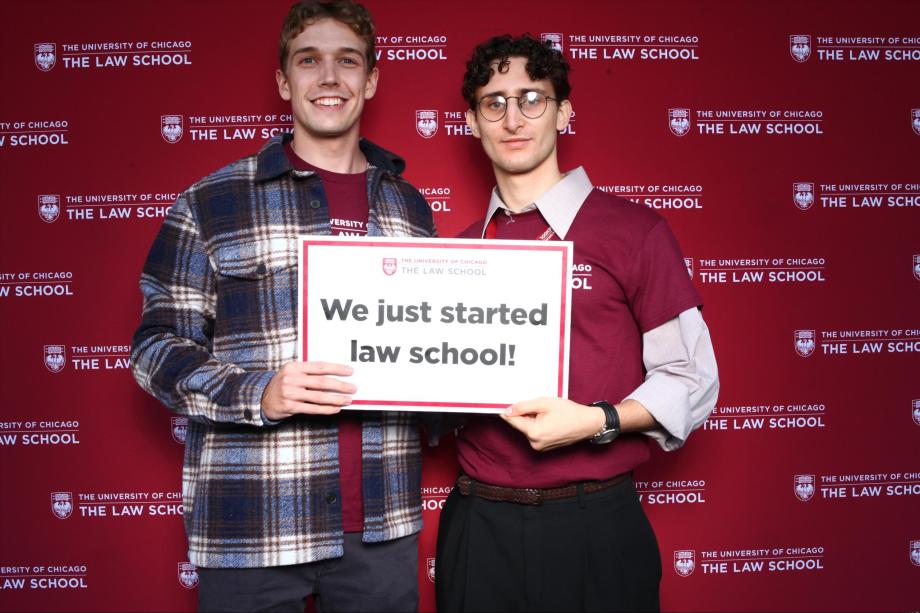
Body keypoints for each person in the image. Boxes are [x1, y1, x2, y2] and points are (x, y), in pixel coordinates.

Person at [130, 1, 435, 611]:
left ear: (370, 80)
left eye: (347, 61)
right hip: (254, 524)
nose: (329, 78)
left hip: (382, 526)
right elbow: (154, 348)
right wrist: (259, 393)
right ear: (283, 81)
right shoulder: (211, 202)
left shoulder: (410, 207)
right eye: (308, 61)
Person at [434, 34, 719, 612]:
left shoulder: (635, 232)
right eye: (494, 102)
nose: (513, 118)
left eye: (532, 98)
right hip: (477, 524)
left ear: (564, 112)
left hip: (596, 523)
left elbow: (694, 380)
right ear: (472, 122)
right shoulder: (455, 253)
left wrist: (596, 421)